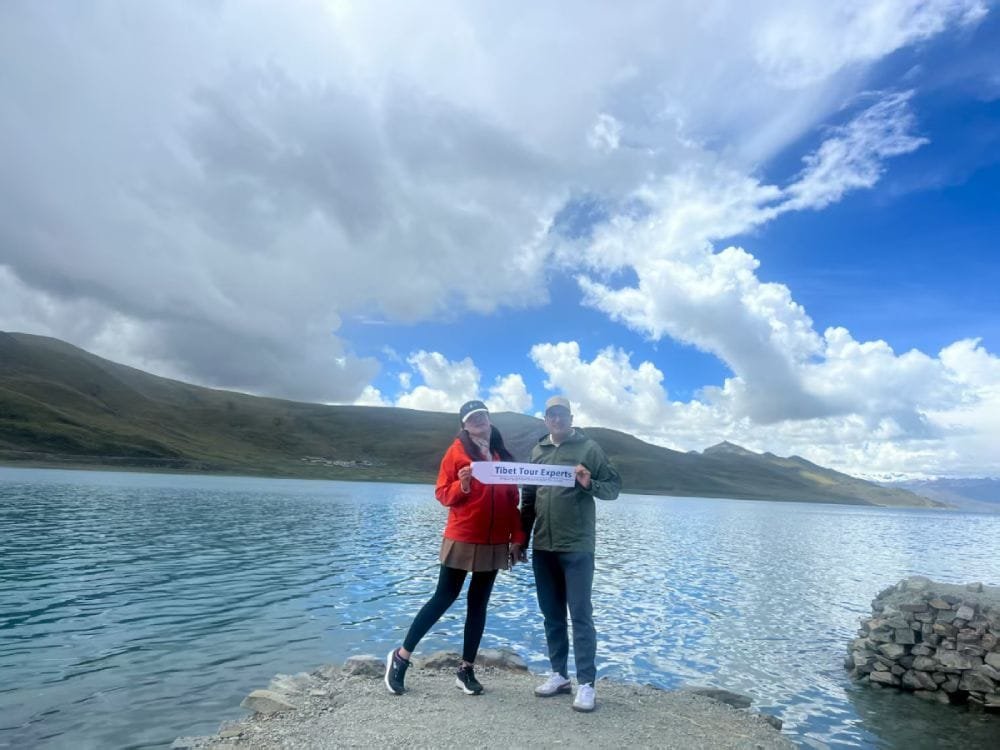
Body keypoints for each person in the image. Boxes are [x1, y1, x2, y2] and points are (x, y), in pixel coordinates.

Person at [384, 399, 525, 696]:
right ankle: (401, 657)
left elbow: (513, 501)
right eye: (473, 417)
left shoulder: (501, 456)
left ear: (489, 419)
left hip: (495, 540)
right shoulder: (456, 452)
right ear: (463, 424)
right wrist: (461, 487)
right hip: (462, 536)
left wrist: (518, 538)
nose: (479, 420)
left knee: (478, 604)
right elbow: (442, 494)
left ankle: (465, 670)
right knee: (444, 597)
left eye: (483, 415)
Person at [519, 395, 621, 713]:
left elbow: (613, 487)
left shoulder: (589, 449)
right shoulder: (537, 452)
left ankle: (587, 684)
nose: (557, 420)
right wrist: (521, 539)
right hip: (543, 546)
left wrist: (589, 483)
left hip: (577, 546)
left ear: (571, 417)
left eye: (562, 414)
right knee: (551, 615)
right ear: (546, 419)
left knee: (580, 616)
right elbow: (528, 497)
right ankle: (560, 676)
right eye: (552, 415)